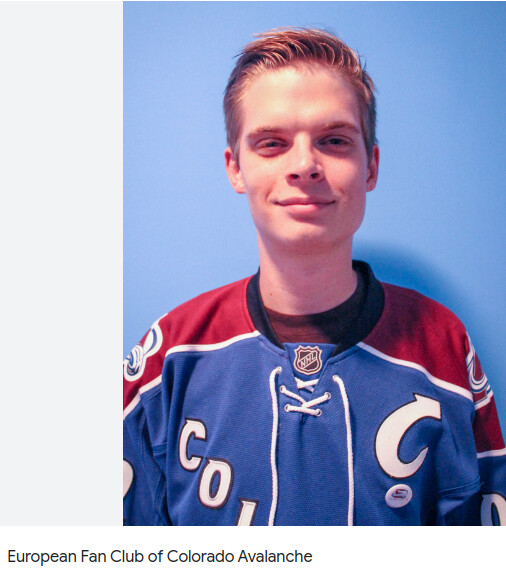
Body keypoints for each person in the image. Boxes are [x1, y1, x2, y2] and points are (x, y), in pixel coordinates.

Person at [123, 27, 505, 525]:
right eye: (272, 143)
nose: (304, 165)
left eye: (334, 140)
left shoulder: (443, 346)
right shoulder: (171, 355)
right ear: (235, 168)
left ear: (370, 166)